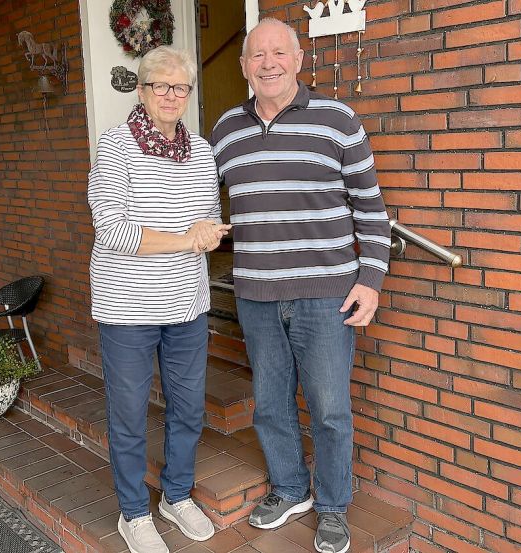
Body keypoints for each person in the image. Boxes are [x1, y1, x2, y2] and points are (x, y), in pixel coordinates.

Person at [210, 18, 390, 553]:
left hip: (325, 295)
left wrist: (371, 281)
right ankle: (290, 489)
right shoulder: (224, 131)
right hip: (256, 295)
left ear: (298, 60)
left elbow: (372, 213)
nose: (267, 63)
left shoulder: (338, 122)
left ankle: (333, 506)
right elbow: (196, 198)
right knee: (269, 402)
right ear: (243, 67)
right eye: (256, 55)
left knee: (330, 408)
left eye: (277, 53)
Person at [87, 45, 230, 553]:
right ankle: (133, 514)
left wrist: (210, 235)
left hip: (186, 305)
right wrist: (186, 240)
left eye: (181, 87)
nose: (172, 95)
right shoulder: (116, 146)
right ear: (142, 90)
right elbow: (112, 229)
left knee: (187, 408)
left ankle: (176, 495)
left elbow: (207, 216)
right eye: (161, 86)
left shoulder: (202, 151)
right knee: (127, 414)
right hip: (127, 308)